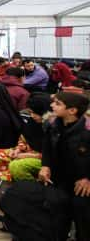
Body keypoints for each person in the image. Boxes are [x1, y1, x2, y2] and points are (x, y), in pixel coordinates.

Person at [38, 91, 90, 240]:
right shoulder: (53, 124)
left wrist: (87, 178)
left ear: (72, 110)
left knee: (83, 219)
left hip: (82, 185)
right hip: (60, 180)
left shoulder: (87, 131)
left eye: (57, 103)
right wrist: (45, 166)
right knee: (58, 216)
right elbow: (47, 148)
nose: (51, 105)